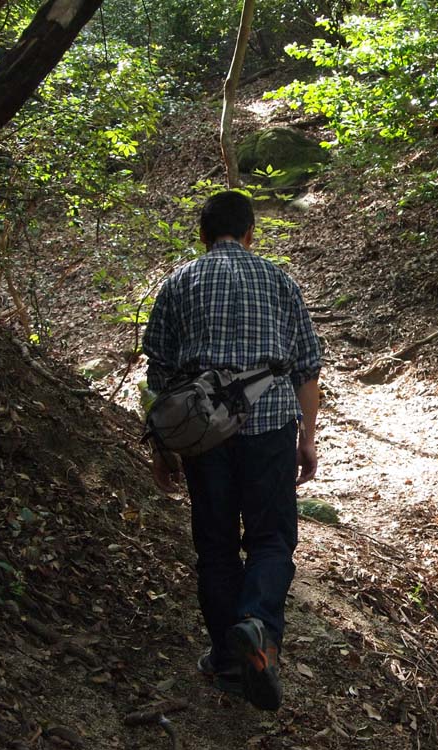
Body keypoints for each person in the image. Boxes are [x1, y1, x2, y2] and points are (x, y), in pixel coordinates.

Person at [142, 189, 322, 711]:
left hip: (203, 435)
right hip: (269, 429)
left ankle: (226, 659)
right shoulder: (279, 281)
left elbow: (160, 377)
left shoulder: (179, 282)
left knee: (216, 546)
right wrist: (307, 437)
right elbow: (307, 368)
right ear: (250, 233)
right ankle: (258, 626)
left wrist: (162, 448)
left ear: (203, 235)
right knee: (270, 540)